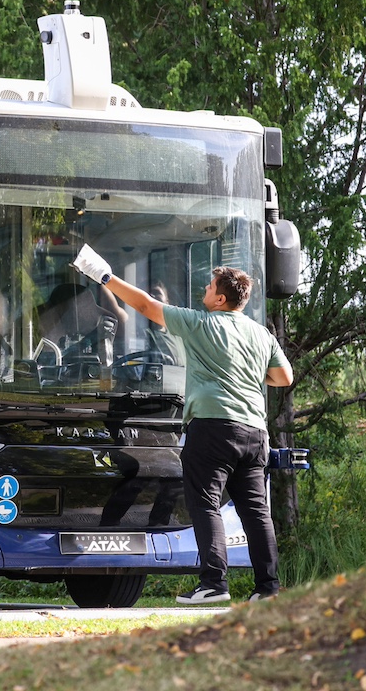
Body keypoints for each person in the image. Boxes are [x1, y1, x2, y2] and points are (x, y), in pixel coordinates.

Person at [71, 244, 293, 604]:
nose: (204, 291)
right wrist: (246, 376)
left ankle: (214, 585)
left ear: (220, 298)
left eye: (209, 288)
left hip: (213, 429)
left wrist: (106, 276)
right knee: (256, 511)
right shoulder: (260, 334)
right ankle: (267, 589)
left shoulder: (199, 323)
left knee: (205, 504)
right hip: (254, 433)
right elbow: (284, 377)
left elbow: (144, 305)